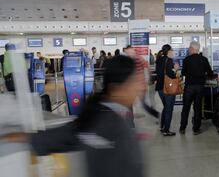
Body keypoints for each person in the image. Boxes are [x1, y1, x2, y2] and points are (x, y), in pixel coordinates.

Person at [3, 56, 146, 177]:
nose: (140, 87)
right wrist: (24, 138)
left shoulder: (108, 115)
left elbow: (67, 135)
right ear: (117, 88)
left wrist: (25, 138)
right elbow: (64, 136)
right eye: (134, 82)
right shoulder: (106, 121)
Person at [179, 41, 213, 135]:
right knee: (197, 109)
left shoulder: (187, 60)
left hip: (189, 87)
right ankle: (196, 129)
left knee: (186, 107)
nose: (189, 49)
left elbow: (183, 73)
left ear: (193, 49)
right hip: (200, 87)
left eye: (190, 48)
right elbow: (210, 73)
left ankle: (182, 128)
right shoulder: (204, 59)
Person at [155, 44, 179, 136]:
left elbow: (161, 72)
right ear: (168, 51)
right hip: (168, 88)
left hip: (160, 88)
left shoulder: (159, 60)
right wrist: (176, 70)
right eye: (172, 50)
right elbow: (170, 74)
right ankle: (166, 130)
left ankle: (162, 127)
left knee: (165, 107)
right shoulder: (168, 61)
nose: (173, 52)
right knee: (169, 109)